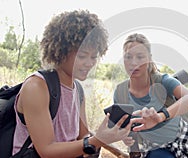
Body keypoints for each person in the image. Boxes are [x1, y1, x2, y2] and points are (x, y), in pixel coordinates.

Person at [12, 10, 132, 157]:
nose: (89, 63)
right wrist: (96, 141)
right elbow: (46, 150)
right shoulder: (36, 87)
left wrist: (110, 134)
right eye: (82, 56)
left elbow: (82, 136)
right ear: (60, 51)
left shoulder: (78, 90)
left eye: (94, 57)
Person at [113, 33, 188, 158]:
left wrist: (161, 116)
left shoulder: (163, 80)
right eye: (128, 57)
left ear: (149, 58)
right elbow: (128, 130)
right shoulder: (120, 93)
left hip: (183, 140)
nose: (134, 62)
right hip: (154, 147)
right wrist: (128, 140)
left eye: (140, 57)